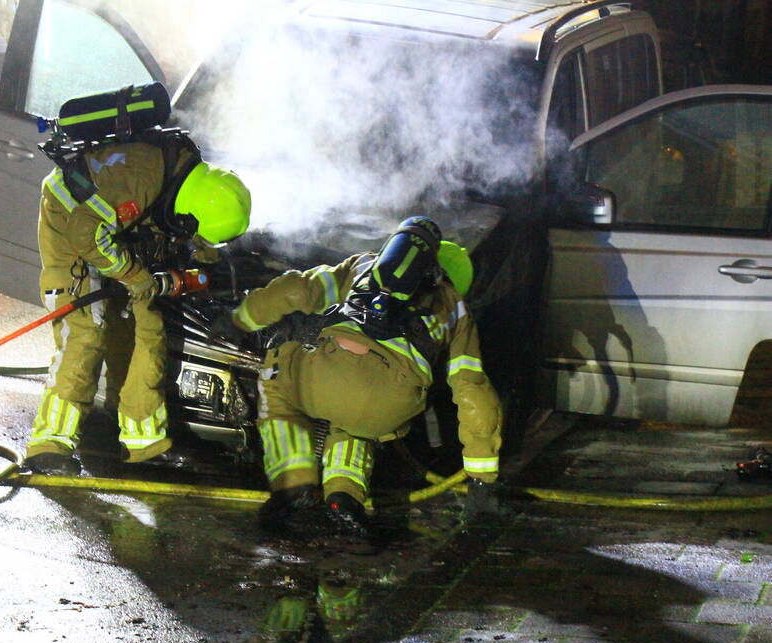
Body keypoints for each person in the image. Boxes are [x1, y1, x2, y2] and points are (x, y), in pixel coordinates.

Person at [213, 216, 501, 536]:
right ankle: (344, 496)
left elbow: (297, 289)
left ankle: (295, 486)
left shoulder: (364, 265)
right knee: (355, 428)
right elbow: (474, 392)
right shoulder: (458, 312)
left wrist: (238, 320)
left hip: (324, 377)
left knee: (277, 363)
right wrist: (481, 479)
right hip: (391, 406)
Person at [26, 133, 251, 475]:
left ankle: (143, 441)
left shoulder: (185, 175)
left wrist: (204, 256)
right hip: (70, 219)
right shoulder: (140, 181)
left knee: (151, 327)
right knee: (85, 332)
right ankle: (49, 444)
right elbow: (87, 237)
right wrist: (135, 275)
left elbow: (188, 229)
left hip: (118, 227)